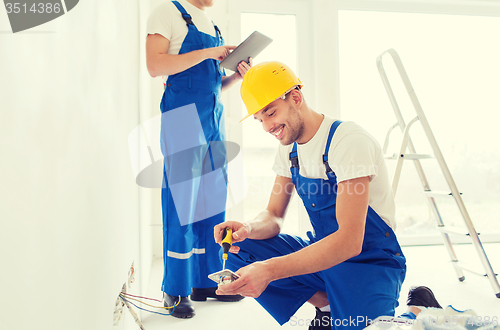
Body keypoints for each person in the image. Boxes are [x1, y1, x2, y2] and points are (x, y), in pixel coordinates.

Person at [214, 61, 407, 330]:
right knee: (240, 248)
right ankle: (327, 305)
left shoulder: (348, 142)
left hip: (369, 262)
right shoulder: (289, 150)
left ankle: (420, 308)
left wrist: (269, 270)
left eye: (271, 113)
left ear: (295, 97)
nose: (267, 127)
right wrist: (247, 228)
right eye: (260, 119)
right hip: (323, 253)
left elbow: (350, 241)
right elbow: (273, 215)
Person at [145, 0, 250, 319]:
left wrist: (237, 76)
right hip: (182, 119)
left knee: (213, 202)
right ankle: (174, 290)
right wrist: (209, 53)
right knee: (182, 204)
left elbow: (215, 85)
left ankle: (205, 282)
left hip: (212, 119)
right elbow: (155, 65)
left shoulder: (212, 25)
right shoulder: (168, 12)